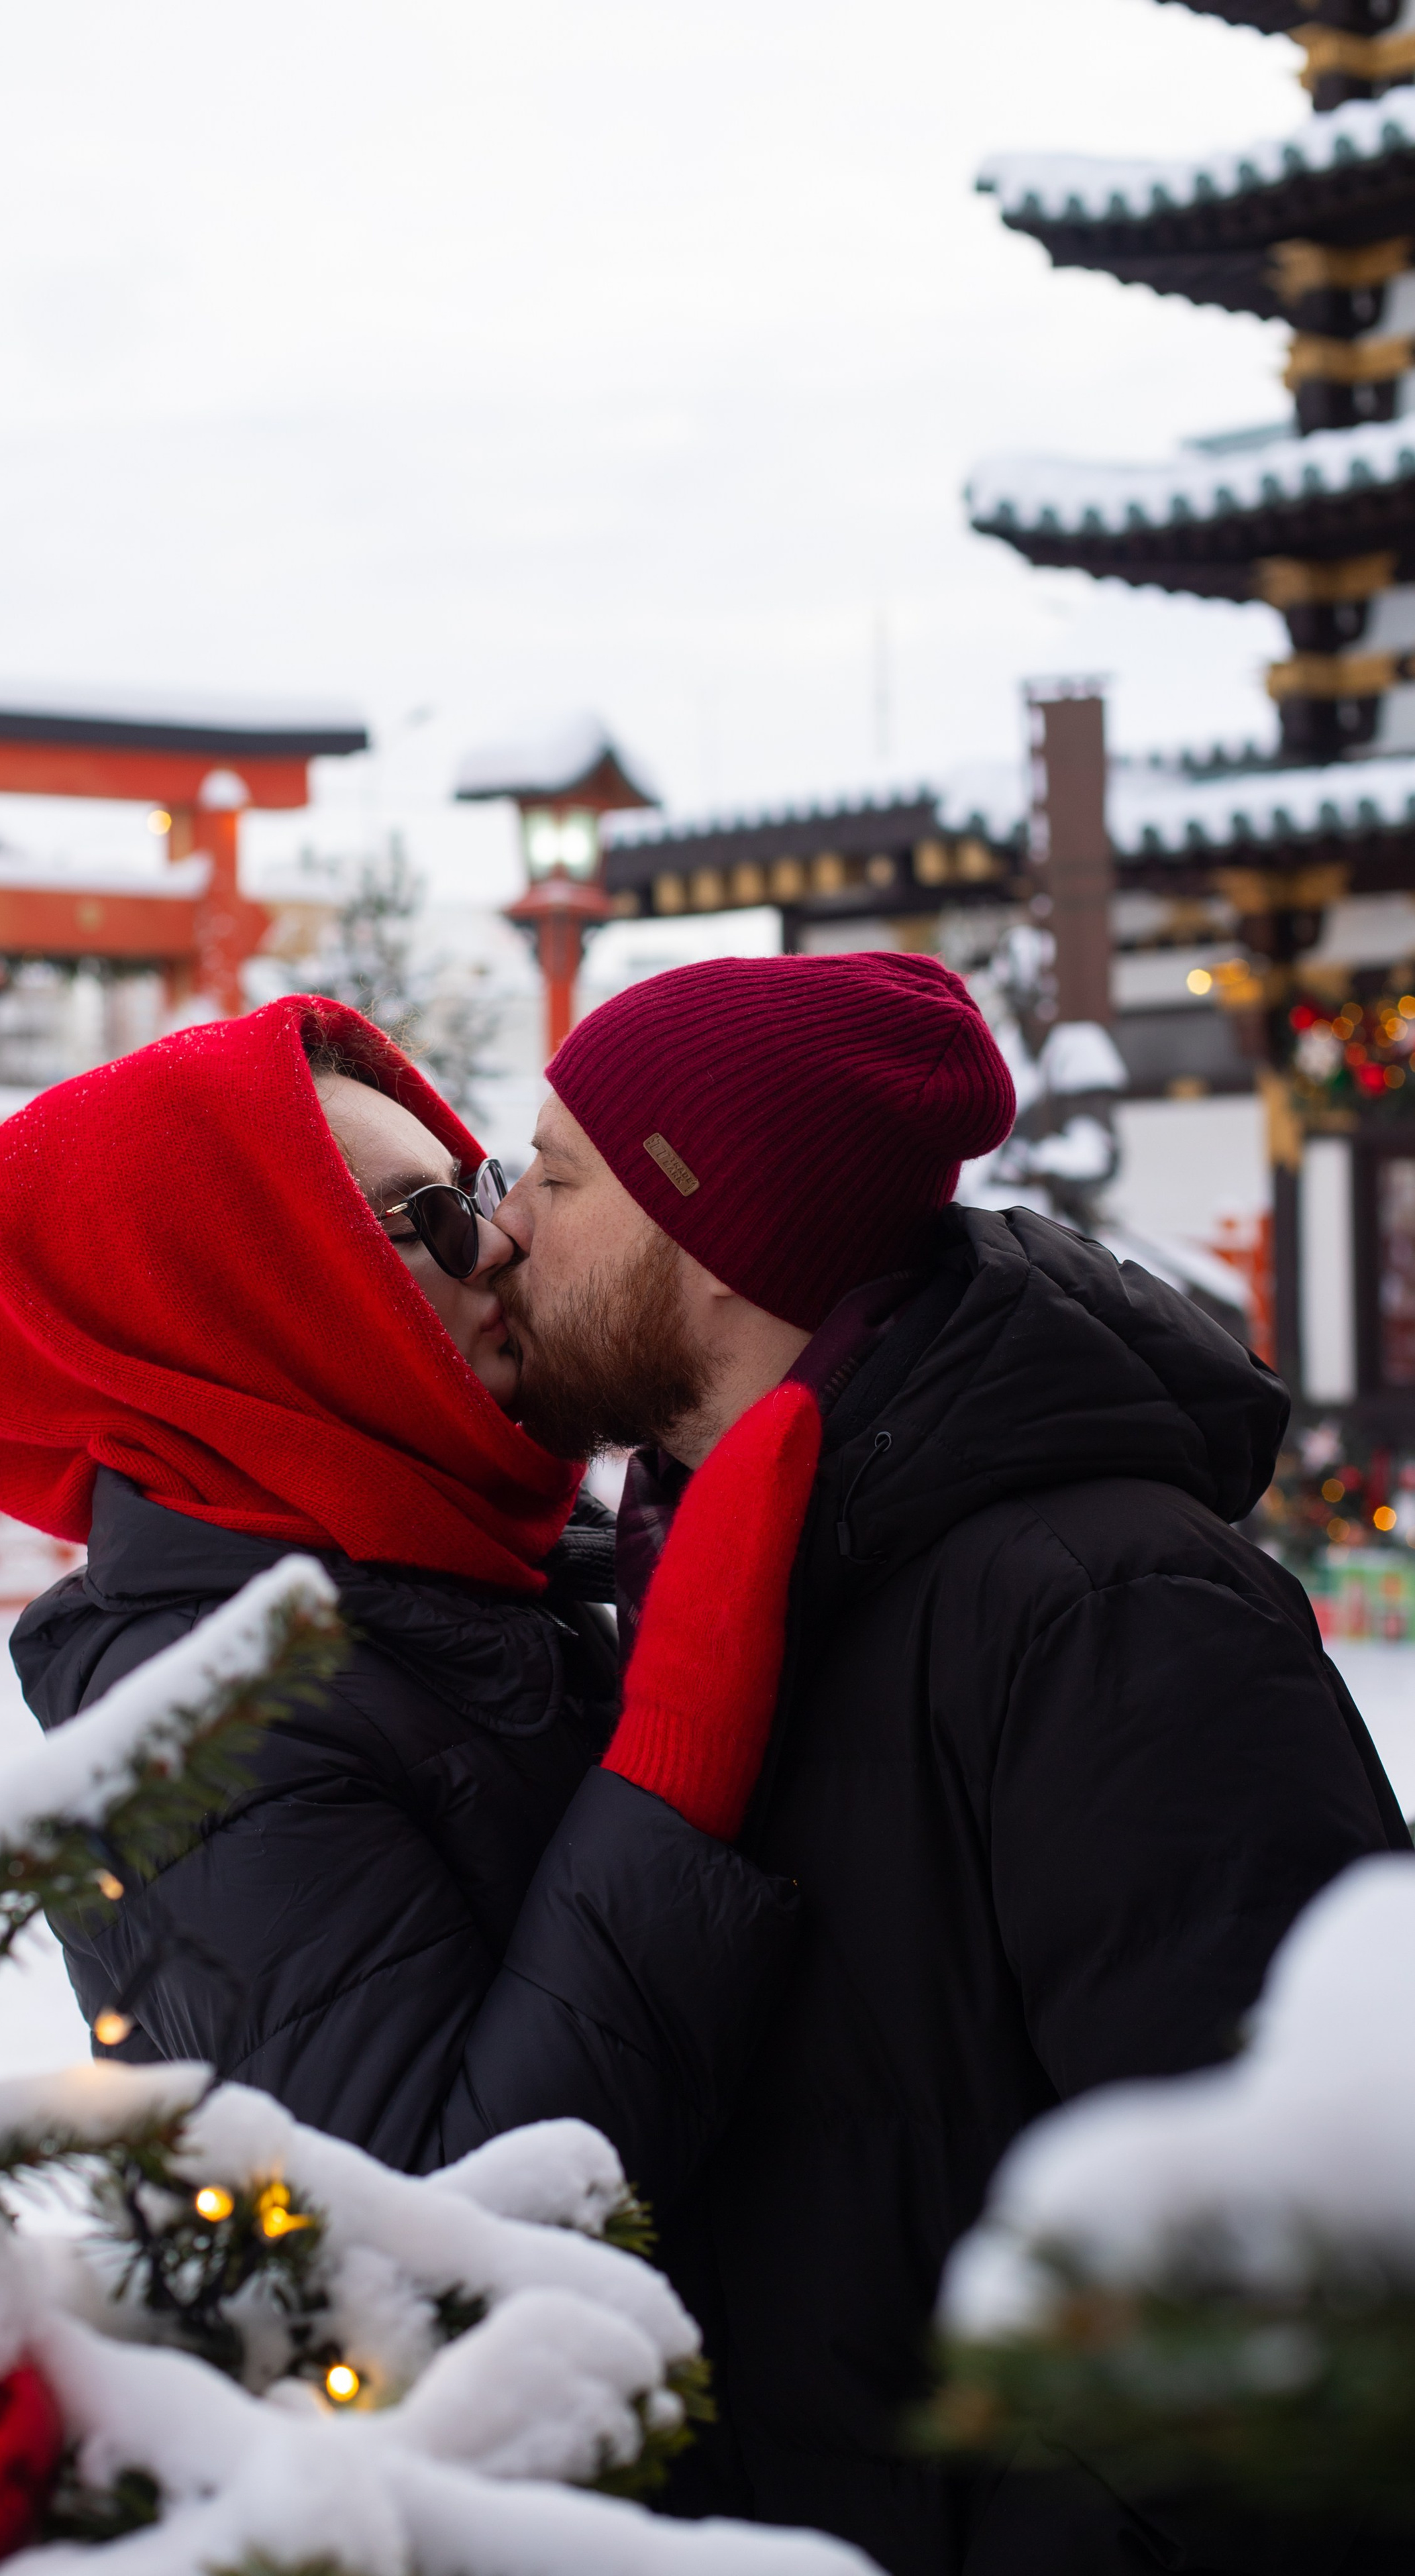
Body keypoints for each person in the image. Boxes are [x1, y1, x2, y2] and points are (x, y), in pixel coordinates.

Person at [487, 948, 1410, 2576]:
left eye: (559, 1179)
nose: (503, 1227)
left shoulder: (1102, 1608)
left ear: (714, 1244)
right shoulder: (715, 1575)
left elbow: (1280, 2287)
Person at [0, 994, 793, 2197]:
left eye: (475, 1190)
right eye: (418, 1219)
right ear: (244, 1307)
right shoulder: (211, 1730)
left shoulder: (471, 1575)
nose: (496, 1245)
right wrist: (668, 1777)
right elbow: (427, 2232)